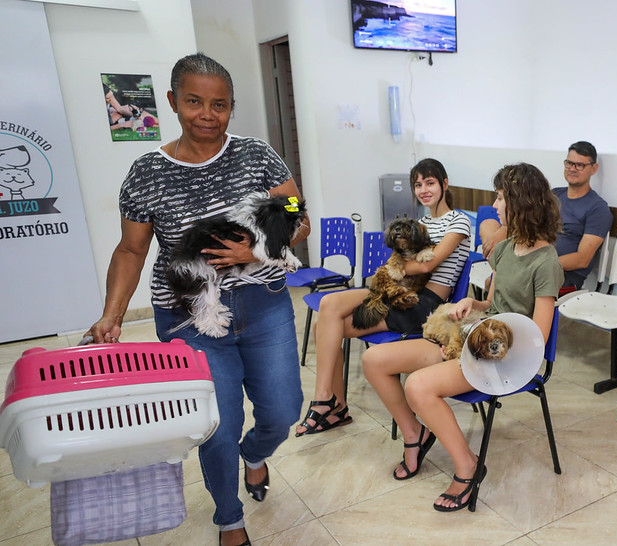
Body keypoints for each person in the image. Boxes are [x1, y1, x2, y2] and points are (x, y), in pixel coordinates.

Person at [89, 53, 309, 546]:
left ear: (232, 107)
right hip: (190, 315)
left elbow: (299, 215)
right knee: (217, 423)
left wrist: (253, 249)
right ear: (172, 102)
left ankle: (256, 454)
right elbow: (131, 248)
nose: (207, 113)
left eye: (220, 104)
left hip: (265, 305)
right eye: (194, 101)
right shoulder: (146, 171)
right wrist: (112, 313)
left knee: (283, 411)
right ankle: (229, 520)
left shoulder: (258, 155)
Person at [362, 163, 563, 511]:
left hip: (504, 356)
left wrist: (473, 342)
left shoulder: (546, 263)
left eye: (501, 198)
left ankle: (468, 466)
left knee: (418, 387)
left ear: (522, 202)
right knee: (374, 360)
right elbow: (493, 304)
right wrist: (474, 302)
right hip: (474, 335)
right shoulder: (505, 249)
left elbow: (536, 338)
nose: (495, 206)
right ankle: (415, 435)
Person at [294, 158, 471, 436]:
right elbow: (400, 263)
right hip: (398, 289)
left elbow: (427, 264)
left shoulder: (459, 221)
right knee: (326, 313)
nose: (424, 189)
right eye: (418, 184)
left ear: (444, 184)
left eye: (430, 183)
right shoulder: (420, 223)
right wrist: (393, 270)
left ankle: (329, 405)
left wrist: (392, 269)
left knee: (327, 326)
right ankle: (329, 400)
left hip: (424, 303)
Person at [480, 141, 612, 294]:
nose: (572, 169)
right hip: (532, 257)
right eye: (569, 163)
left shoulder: (598, 208)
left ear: (593, 168)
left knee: (497, 282)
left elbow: (582, 259)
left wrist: (534, 266)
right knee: (488, 224)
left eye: (579, 165)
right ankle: (499, 267)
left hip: (560, 275)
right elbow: (524, 221)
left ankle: (499, 273)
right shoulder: (554, 195)